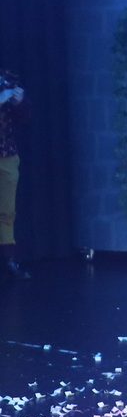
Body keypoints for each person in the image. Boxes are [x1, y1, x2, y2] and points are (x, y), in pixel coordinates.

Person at [0, 66, 29, 279]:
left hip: (6, 153)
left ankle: (8, 261)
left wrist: (20, 103)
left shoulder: (7, 77)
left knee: (7, 211)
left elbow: (24, 117)